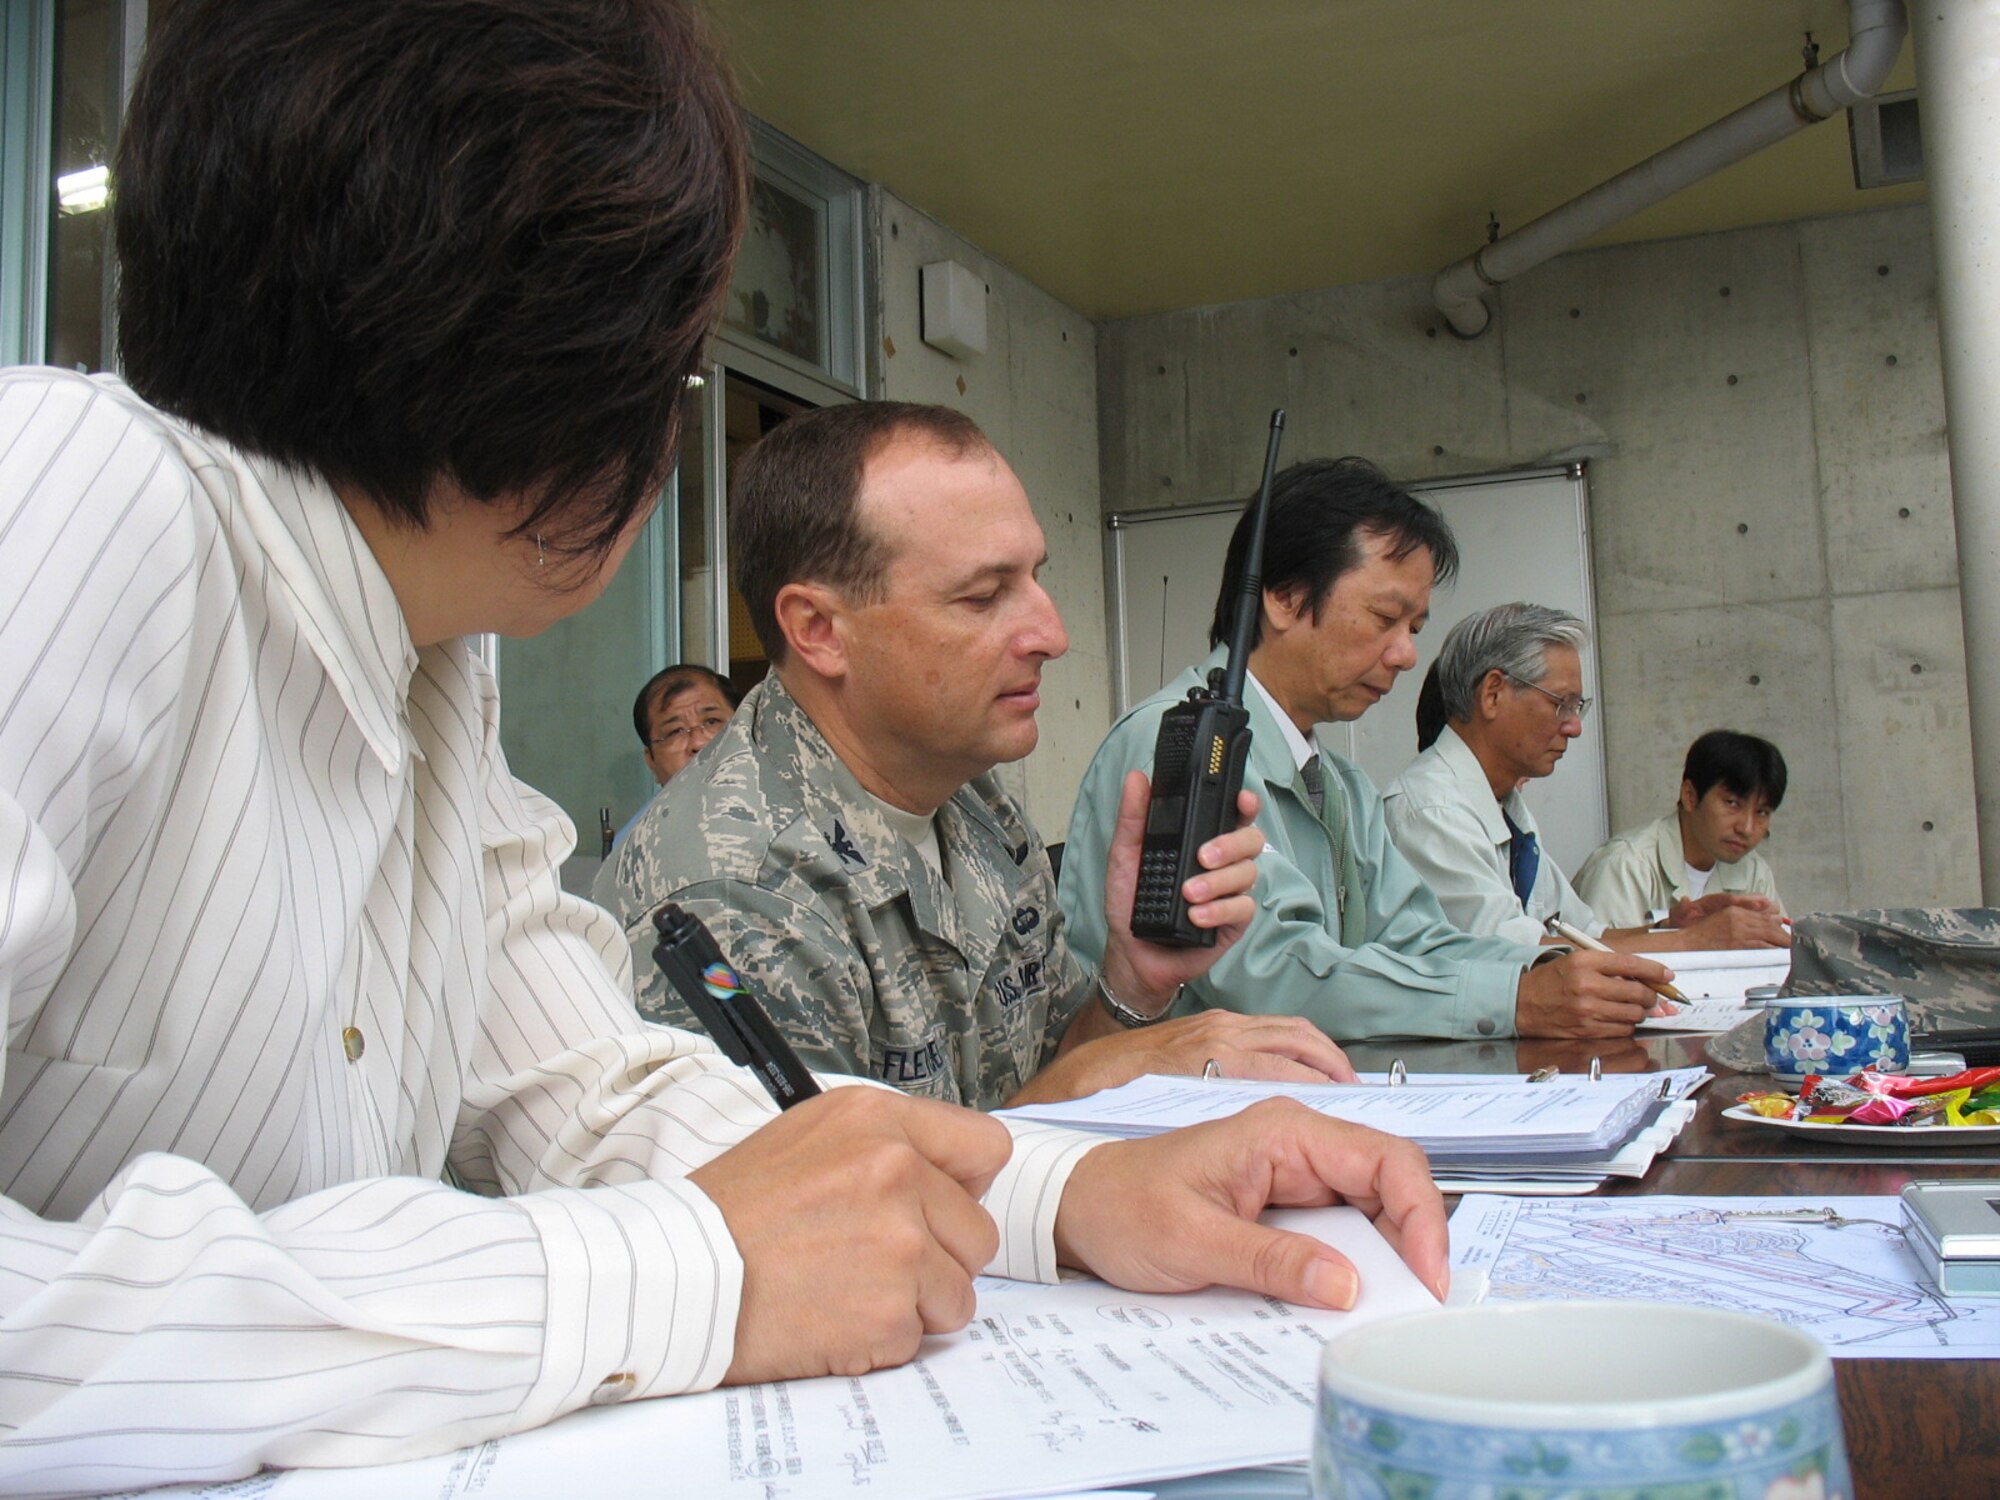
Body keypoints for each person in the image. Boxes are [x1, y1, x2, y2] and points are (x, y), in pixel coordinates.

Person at [0, 5, 1444, 1493]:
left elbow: (600, 1094)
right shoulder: (71, 496)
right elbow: (689, 1217)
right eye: (681, 353)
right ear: (570, 341)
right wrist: (668, 1275)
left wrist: (1071, 1193)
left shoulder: (433, 661)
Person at [597, 402, 1357, 1109]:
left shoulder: (971, 801)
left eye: (1035, 577)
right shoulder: (736, 895)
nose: (1052, 635)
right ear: (820, 631)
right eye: (983, 596)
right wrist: (1121, 1067)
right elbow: (839, 1232)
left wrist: (1133, 985)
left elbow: (1052, 1074)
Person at [1060, 459, 1673, 1044]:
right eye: (1385, 617)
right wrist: (1513, 998)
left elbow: (1420, 939)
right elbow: (1271, 974)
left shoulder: (1342, 785)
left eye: (1414, 630)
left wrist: (1553, 970)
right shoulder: (1178, 744)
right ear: (1284, 596)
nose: (1407, 655)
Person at [1574, 729, 1790, 928]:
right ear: (1690, 796)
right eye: (1732, 803)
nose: (1747, 828)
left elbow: (1779, 956)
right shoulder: (1626, 865)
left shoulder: (1754, 872)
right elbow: (1600, 958)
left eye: (1762, 812)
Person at [607, 663, 741, 852]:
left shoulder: (792, 811)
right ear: (651, 761)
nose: (699, 743)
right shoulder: (632, 850)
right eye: (675, 731)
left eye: (712, 722)